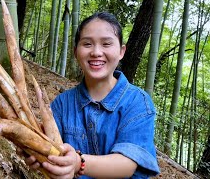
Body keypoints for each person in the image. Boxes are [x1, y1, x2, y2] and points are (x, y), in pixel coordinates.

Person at [24, 12, 160, 179]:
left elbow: (128, 164)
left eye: (106, 44)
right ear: (76, 52)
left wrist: (79, 163)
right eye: (87, 44)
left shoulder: (138, 102)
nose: (96, 52)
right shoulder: (62, 104)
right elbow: (52, 150)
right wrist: (35, 153)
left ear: (121, 51)